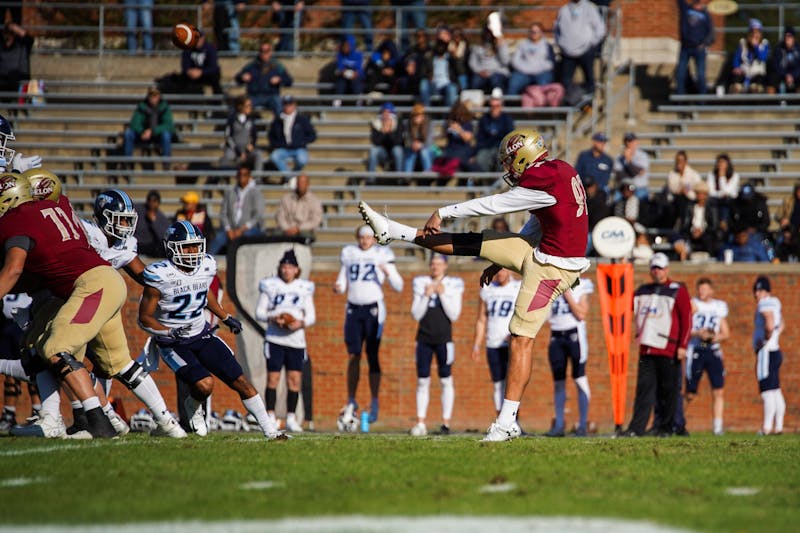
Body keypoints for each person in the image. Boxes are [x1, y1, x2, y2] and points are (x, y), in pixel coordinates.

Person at [358, 127, 590, 441]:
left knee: (520, 337)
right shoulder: (560, 169)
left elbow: (494, 205)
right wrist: (502, 259)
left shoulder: (541, 180)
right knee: (472, 243)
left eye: (510, 161)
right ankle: (393, 231)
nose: (508, 167)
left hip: (553, 268)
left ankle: (507, 422)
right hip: (541, 252)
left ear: (523, 157)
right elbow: (540, 222)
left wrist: (444, 211)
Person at [0, 173, 185, 439]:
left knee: (54, 349)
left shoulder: (21, 219)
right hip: (94, 289)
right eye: (119, 219)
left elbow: (19, 268)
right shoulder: (62, 208)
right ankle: (164, 423)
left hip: (88, 289)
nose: (124, 226)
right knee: (115, 362)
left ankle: (96, 420)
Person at [139, 221, 285, 439]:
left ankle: (271, 431)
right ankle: (193, 406)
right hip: (174, 343)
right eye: (186, 247)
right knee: (205, 385)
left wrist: (225, 316)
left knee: (241, 382)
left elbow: (203, 292)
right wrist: (168, 332)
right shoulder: (160, 275)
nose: (193, 252)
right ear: (172, 248)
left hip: (201, 334)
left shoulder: (206, 266)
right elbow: (144, 318)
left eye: (196, 246)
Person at [333, 225, 403, 424]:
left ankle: (374, 400)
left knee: (372, 355)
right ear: (358, 237)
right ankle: (351, 399)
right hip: (353, 308)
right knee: (354, 355)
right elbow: (342, 281)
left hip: (374, 309)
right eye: (362, 237)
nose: (365, 240)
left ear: (375, 238)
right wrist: (338, 288)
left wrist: (387, 272)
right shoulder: (349, 253)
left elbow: (399, 286)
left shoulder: (382, 254)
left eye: (369, 237)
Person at [624, 253, 691, 437]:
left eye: (660, 268)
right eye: (654, 268)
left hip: (667, 348)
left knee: (668, 390)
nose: (657, 271)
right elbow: (625, 304)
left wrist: (683, 345)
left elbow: (686, 320)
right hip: (646, 347)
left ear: (667, 269)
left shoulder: (678, 290)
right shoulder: (643, 290)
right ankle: (636, 428)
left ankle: (666, 427)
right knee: (644, 391)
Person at [255, 250, 315, 433]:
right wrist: (275, 318)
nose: (287, 270)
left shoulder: (303, 288)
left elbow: (311, 316)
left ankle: (291, 417)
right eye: (284, 267)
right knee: (273, 378)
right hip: (275, 339)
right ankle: (271, 415)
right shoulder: (271, 285)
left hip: (296, 341)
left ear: (297, 270)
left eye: (290, 267)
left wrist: (299, 322)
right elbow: (260, 312)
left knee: (294, 380)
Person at [409, 255, 464, 438]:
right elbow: (416, 314)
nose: (435, 267)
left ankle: (445, 422)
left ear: (446, 265)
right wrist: (426, 295)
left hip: (444, 339)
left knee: (446, 380)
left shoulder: (454, 284)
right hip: (423, 338)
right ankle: (420, 422)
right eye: (433, 263)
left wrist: (441, 293)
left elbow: (454, 314)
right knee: (422, 380)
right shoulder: (421, 282)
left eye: (439, 264)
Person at [545, 277, 594, 437]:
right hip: (556, 336)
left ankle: (582, 425)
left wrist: (566, 293)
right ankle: (559, 425)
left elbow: (581, 313)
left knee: (579, 379)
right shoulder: (551, 283)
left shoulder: (582, 283)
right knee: (558, 382)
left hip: (574, 335)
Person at [471, 268, 520, 417]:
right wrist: (476, 345)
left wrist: (515, 334)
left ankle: (513, 420)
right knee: (498, 383)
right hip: (493, 342)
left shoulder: (517, 287)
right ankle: (501, 419)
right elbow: (481, 319)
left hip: (511, 343)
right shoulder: (488, 290)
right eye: (497, 269)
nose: (500, 273)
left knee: (513, 383)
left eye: (503, 269)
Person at [686, 278, 729, 436]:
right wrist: (699, 333)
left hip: (713, 349)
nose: (702, 292)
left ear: (711, 290)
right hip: (697, 348)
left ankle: (717, 427)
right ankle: (677, 422)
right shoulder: (692, 304)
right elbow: (685, 328)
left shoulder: (719, 306)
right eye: (700, 289)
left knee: (718, 390)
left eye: (705, 289)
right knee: (690, 392)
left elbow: (726, 333)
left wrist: (712, 336)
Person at [752, 276, 785, 435]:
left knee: (767, 391)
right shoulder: (776, 301)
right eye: (757, 290)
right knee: (775, 390)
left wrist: (765, 338)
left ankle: (766, 427)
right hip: (776, 350)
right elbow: (781, 323)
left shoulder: (764, 303)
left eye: (760, 290)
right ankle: (778, 426)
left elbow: (770, 322)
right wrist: (774, 334)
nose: (757, 294)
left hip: (767, 351)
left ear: (766, 292)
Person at [208, 163, 265, 255]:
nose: (242, 177)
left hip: (250, 229)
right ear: (236, 176)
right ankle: (206, 262)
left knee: (247, 236)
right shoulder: (230, 192)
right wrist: (228, 229)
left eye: (245, 175)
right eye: (240, 174)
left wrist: (242, 229)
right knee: (218, 238)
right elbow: (223, 213)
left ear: (249, 177)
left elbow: (258, 215)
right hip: (231, 229)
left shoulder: (256, 193)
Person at [554, 0, 606, 95]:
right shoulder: (564, 10)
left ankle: (589, 104)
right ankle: (569, 105)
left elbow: (600, 28)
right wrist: (560, 43)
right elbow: (557, 29)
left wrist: (592, 44)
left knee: (589, 79)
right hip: (567, 52)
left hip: (586, 51)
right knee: (566, 81)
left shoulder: (590, 8)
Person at [234, 41, 294, 116]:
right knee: (241, 104)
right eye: (262, 51)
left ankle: (281, 125)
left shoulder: (277, 66)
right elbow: (237, 78)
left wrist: (280, 79)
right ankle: (239, 124)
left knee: (278, 104)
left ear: (270, 52)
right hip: (254, 96)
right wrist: (242, 77)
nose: (264, 53)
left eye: (267, 51)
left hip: (271, 95)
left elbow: (289, 81)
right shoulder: (252, 65)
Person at [157, 29, 223, 95]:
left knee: (215, 78)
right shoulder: (188, 49)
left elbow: (214, 67)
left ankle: (217, 101)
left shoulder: (210, 48)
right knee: (180, 79)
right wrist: (189, 71)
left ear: (203, 38)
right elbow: (185, 66)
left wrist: (201, 72)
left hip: (206, 74)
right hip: (192, 74)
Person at [123, 86, 176, 165]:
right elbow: (135, 123)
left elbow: (168, 124)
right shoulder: (142, 106)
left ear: (159, 96)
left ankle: (166, 162)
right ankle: (127, 162)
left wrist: (152, 131)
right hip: (144, 134)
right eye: (152, 96)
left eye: (156, 95)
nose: (154, 98)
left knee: (166, 135)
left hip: (158, 134)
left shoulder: (165, 107)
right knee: (128, 134)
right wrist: (142, 131)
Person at [267, 95, 317, 175]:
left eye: (289, 104)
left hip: (298, 148)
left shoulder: (301, 119)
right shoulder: (278, 120)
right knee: (274, 157)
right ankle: (291, 177)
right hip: (283, 148)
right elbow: (271, 136)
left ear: (294, 105)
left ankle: (293, 175)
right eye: (285, 104)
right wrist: (278, 144)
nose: (287, 107)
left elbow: (312, 135)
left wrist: (302, 142)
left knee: (302, 160)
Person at [675, 0, 713, 95]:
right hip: (685, 47)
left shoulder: (705, 14)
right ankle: (680, 101)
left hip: (699, 49)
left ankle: (702, 102)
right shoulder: (686, 9)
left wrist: (704, 43)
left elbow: (711, 32)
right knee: (680, 74)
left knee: (700, 75)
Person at [507, 22, 557, 96]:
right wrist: (525, 69)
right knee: (514, 83)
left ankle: (544, 106)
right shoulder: (523, 44)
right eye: (532, 31)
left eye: (537, 32)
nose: (534, 33)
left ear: (541, 33)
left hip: (541, 73)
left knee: (545, 82)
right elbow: (515, 61)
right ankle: (512, 105)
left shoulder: (547, 45)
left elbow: (551, 63)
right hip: (523, 73)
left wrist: (537, 69)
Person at [220, 95, 265, 173]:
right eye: (247, 106)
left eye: (250, 105)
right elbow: (228, 136)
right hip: (234, 148)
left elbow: (254, 135)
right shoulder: (232, 119)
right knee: (226, 158)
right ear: (240, 106)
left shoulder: (251, 120)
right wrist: (239, 152)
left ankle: (257, 179)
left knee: (258, 155)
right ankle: (224, 179)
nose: (250, 107)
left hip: (246, 148)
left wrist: (251, 145)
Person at [675, 181, 720, 257]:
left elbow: (714, 225)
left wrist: (701, 231)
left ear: (706, 195)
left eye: (702, 194)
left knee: (709, 239)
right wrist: (693, 231)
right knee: (681, 238)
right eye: (698, 193)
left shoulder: (712, 208)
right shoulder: (690, 206)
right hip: (691, 232)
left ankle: (711, 258)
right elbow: (686, 223)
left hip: (706, 232)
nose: (700, 196)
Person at [475, 90, 515, 173]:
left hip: (501, 149)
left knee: (501, 159)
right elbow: (480, 138)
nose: (494, 108)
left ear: (501, 106)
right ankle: (485, 181)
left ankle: (498, 183)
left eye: (497, 106)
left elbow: (510, 138)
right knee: (481, 158)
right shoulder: (484, 119)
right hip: (487, 148)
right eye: (493, 106)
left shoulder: (507, 119)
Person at [275, 173, 322, 242]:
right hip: (287, 231)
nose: (300, 185)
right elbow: (280, 216)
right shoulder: (286, 199)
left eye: (303, 182)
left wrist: (298, 228)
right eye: (299, 182)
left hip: (305, 232)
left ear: (307, 184)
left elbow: (315, 220)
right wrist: (287, 228)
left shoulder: (315, 201)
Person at [419, 26, 459, 107]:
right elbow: (422, 72)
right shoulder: (429, 56)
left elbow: (460, 71)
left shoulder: (451, 58)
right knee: (423, 84)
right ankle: (427, 113)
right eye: (439, 45)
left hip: (446, 85)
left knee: (452, 88)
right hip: (433, 84)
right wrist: (428, 76)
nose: (440, 47)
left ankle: (448, 117)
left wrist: (455, 56)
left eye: (443, 45)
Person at [729, 19, 770, 94]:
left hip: (757, 73)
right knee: (736, 83)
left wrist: (756, 46)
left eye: (757, 32)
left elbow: (763, 58)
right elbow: (736, 58)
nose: (755, 35)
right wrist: (736, 67)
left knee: (756, 87)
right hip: (744, 72)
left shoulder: (764, 44)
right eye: (753, 32)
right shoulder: (743, 43)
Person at [468, 27, 510, 93]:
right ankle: (475, 102)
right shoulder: (477, 47)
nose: (488, 36)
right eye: (486, 34)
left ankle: (499, 102)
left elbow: (505, 61)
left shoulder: (501, 45)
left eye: (490, 34)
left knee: (496, 81)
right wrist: (480, 71)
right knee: (475, 82)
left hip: (497, 72)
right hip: (481, 72)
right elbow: (472, 62)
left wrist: (500, 47)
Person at [367, 102, 404, 175]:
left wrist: (390, 132)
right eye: (384, 112)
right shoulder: (376, 124)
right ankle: (370, 180)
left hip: (394, 152)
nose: (386, 115)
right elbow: (375, 142)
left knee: (397, 150)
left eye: (388, 112)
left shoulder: (398, 123)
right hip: (382, 153)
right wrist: (383, 132)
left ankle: (400, 178)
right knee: (373, 150)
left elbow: (398, 141)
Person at [0, 22, 33, 100]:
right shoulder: (1, 46)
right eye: (7, 32)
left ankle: (12, 102)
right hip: (4, 77)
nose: (9, 35)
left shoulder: (22, 45)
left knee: (13, 75)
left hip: (19, 76)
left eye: (12, 33)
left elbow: (30, 40)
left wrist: (15, 28)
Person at [613, 132, 650, 201]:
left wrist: (629, 161)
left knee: (642, 199)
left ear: (637, 142)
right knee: (615, 200)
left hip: (639, 188)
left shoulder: (642, 156)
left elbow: (640, 172)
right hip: (624, 189)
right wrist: (632, 169)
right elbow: (619, 175)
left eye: (631, 141)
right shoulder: (619, 157)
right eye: (626, 141)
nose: (629, 143)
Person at [134, 190, 171, 258]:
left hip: (151, 245)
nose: (151, 203)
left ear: (158, 203)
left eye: (154, 201)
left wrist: (154, 221)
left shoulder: (161, 217)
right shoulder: (138, 210)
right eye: (149, 200)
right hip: (137, 243)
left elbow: (163, 236)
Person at [706, 153, 739, 227]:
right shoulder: (711, 175)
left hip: (729, 201)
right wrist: (721, 194)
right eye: (719, 162)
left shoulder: (734, 176)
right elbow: (711, 192)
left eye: (723, 162)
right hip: (716, 199)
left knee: (726, 200)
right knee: (711, 201)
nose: (721, 164)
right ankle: (715, 224)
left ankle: (723, 222)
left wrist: (722, 177)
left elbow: (728, 191)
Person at [667, 150, 702, 216]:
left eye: (681, 160)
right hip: (676, 200)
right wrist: (682, 189)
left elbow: (698, 188)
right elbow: (672, 188)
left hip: (691, 199)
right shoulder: (672, 174)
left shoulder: (693, 174)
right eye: (677, 160)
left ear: (685, 161)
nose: (678, 162)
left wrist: (687, 191)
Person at [333, 34, 365, 103]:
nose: (345, 48)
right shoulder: (340, 55)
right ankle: (338, 100)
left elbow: (359, 68)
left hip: (355, 75)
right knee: (340, 81)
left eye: (347, 46)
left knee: (356, 82)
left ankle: (358, 100)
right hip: (344, 75)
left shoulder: (358, 55)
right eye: (344, 45)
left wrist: (355, 74)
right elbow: (340, 67)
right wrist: (343, 72)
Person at [402, 103, 433, 173]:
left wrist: (421, 145)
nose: (416, 117)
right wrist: (412, 144)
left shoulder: (428, 123)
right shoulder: (408, 124)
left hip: (426, 148)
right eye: (414, 115)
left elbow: (429, 141)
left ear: (423, 116)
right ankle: (407, 177)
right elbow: (406, 139)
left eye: (418, 115)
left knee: (424, 152)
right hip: (412, 147)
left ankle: (428, 175)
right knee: (410, 153)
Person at [768, 26, 799, 94]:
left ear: (793, 37)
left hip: (795, 75)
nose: (787, 38)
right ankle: (770, 102)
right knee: (772, 78)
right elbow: (776, 65)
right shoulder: (778, 48)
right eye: (785, 36)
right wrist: (785, 75)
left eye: (789, 36)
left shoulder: (798, 49)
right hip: (782, 74)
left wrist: (793, 75)